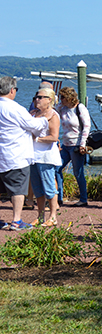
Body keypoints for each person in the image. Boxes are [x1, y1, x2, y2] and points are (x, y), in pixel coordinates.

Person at [0, 77, 49, 230]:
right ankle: (16, 220)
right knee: (18, 189)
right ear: (12, 90)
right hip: (15, 154)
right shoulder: (15, 108)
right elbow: (33, 125)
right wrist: (44, 119)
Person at [29, 87, 61, 226]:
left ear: (49, 100)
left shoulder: (53, 115)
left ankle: (53, 216)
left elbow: (54, 137)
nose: (37, 99)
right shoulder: (34, 114)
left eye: (40, 97)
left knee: (49, 187)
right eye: (36, 97)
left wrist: (36, 139)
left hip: (46, 156)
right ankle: (40, 215)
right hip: (33, 156)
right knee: (37, 189)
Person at [56, 86, 90, 207]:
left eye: (63, 97)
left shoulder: (80, 108)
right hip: (65, 144)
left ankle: (83, 198)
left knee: (78, 172)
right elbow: (54, 111)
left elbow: (86, 126)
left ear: (70, 98)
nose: (61, 99)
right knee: (57, 168)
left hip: (76, 144)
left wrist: (82, 144)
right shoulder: (63, 108)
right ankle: (58, 197)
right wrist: (60, 103)